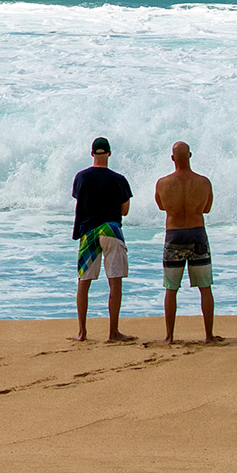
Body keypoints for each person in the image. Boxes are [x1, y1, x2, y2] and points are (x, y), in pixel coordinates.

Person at [71, 136, 134, 343]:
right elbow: (124, 211)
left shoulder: (81, 177)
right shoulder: (119, 179)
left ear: (92, 154)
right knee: (114, 282)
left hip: (89, 231)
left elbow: (80, 200)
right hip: (111, 228)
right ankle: (113, 332)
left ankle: (82, 332)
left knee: (84, 282)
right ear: (109, 153)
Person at [153, 140, 216, 343]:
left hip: (174, 234)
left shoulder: (162, 183)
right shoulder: (203, 182)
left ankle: (169, 336)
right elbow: (206, 209)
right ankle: (208, 336)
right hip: (197, 233)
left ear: (172, 158)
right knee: (205, 287)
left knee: (171, 288)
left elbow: (162, 207)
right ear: (190, 155)